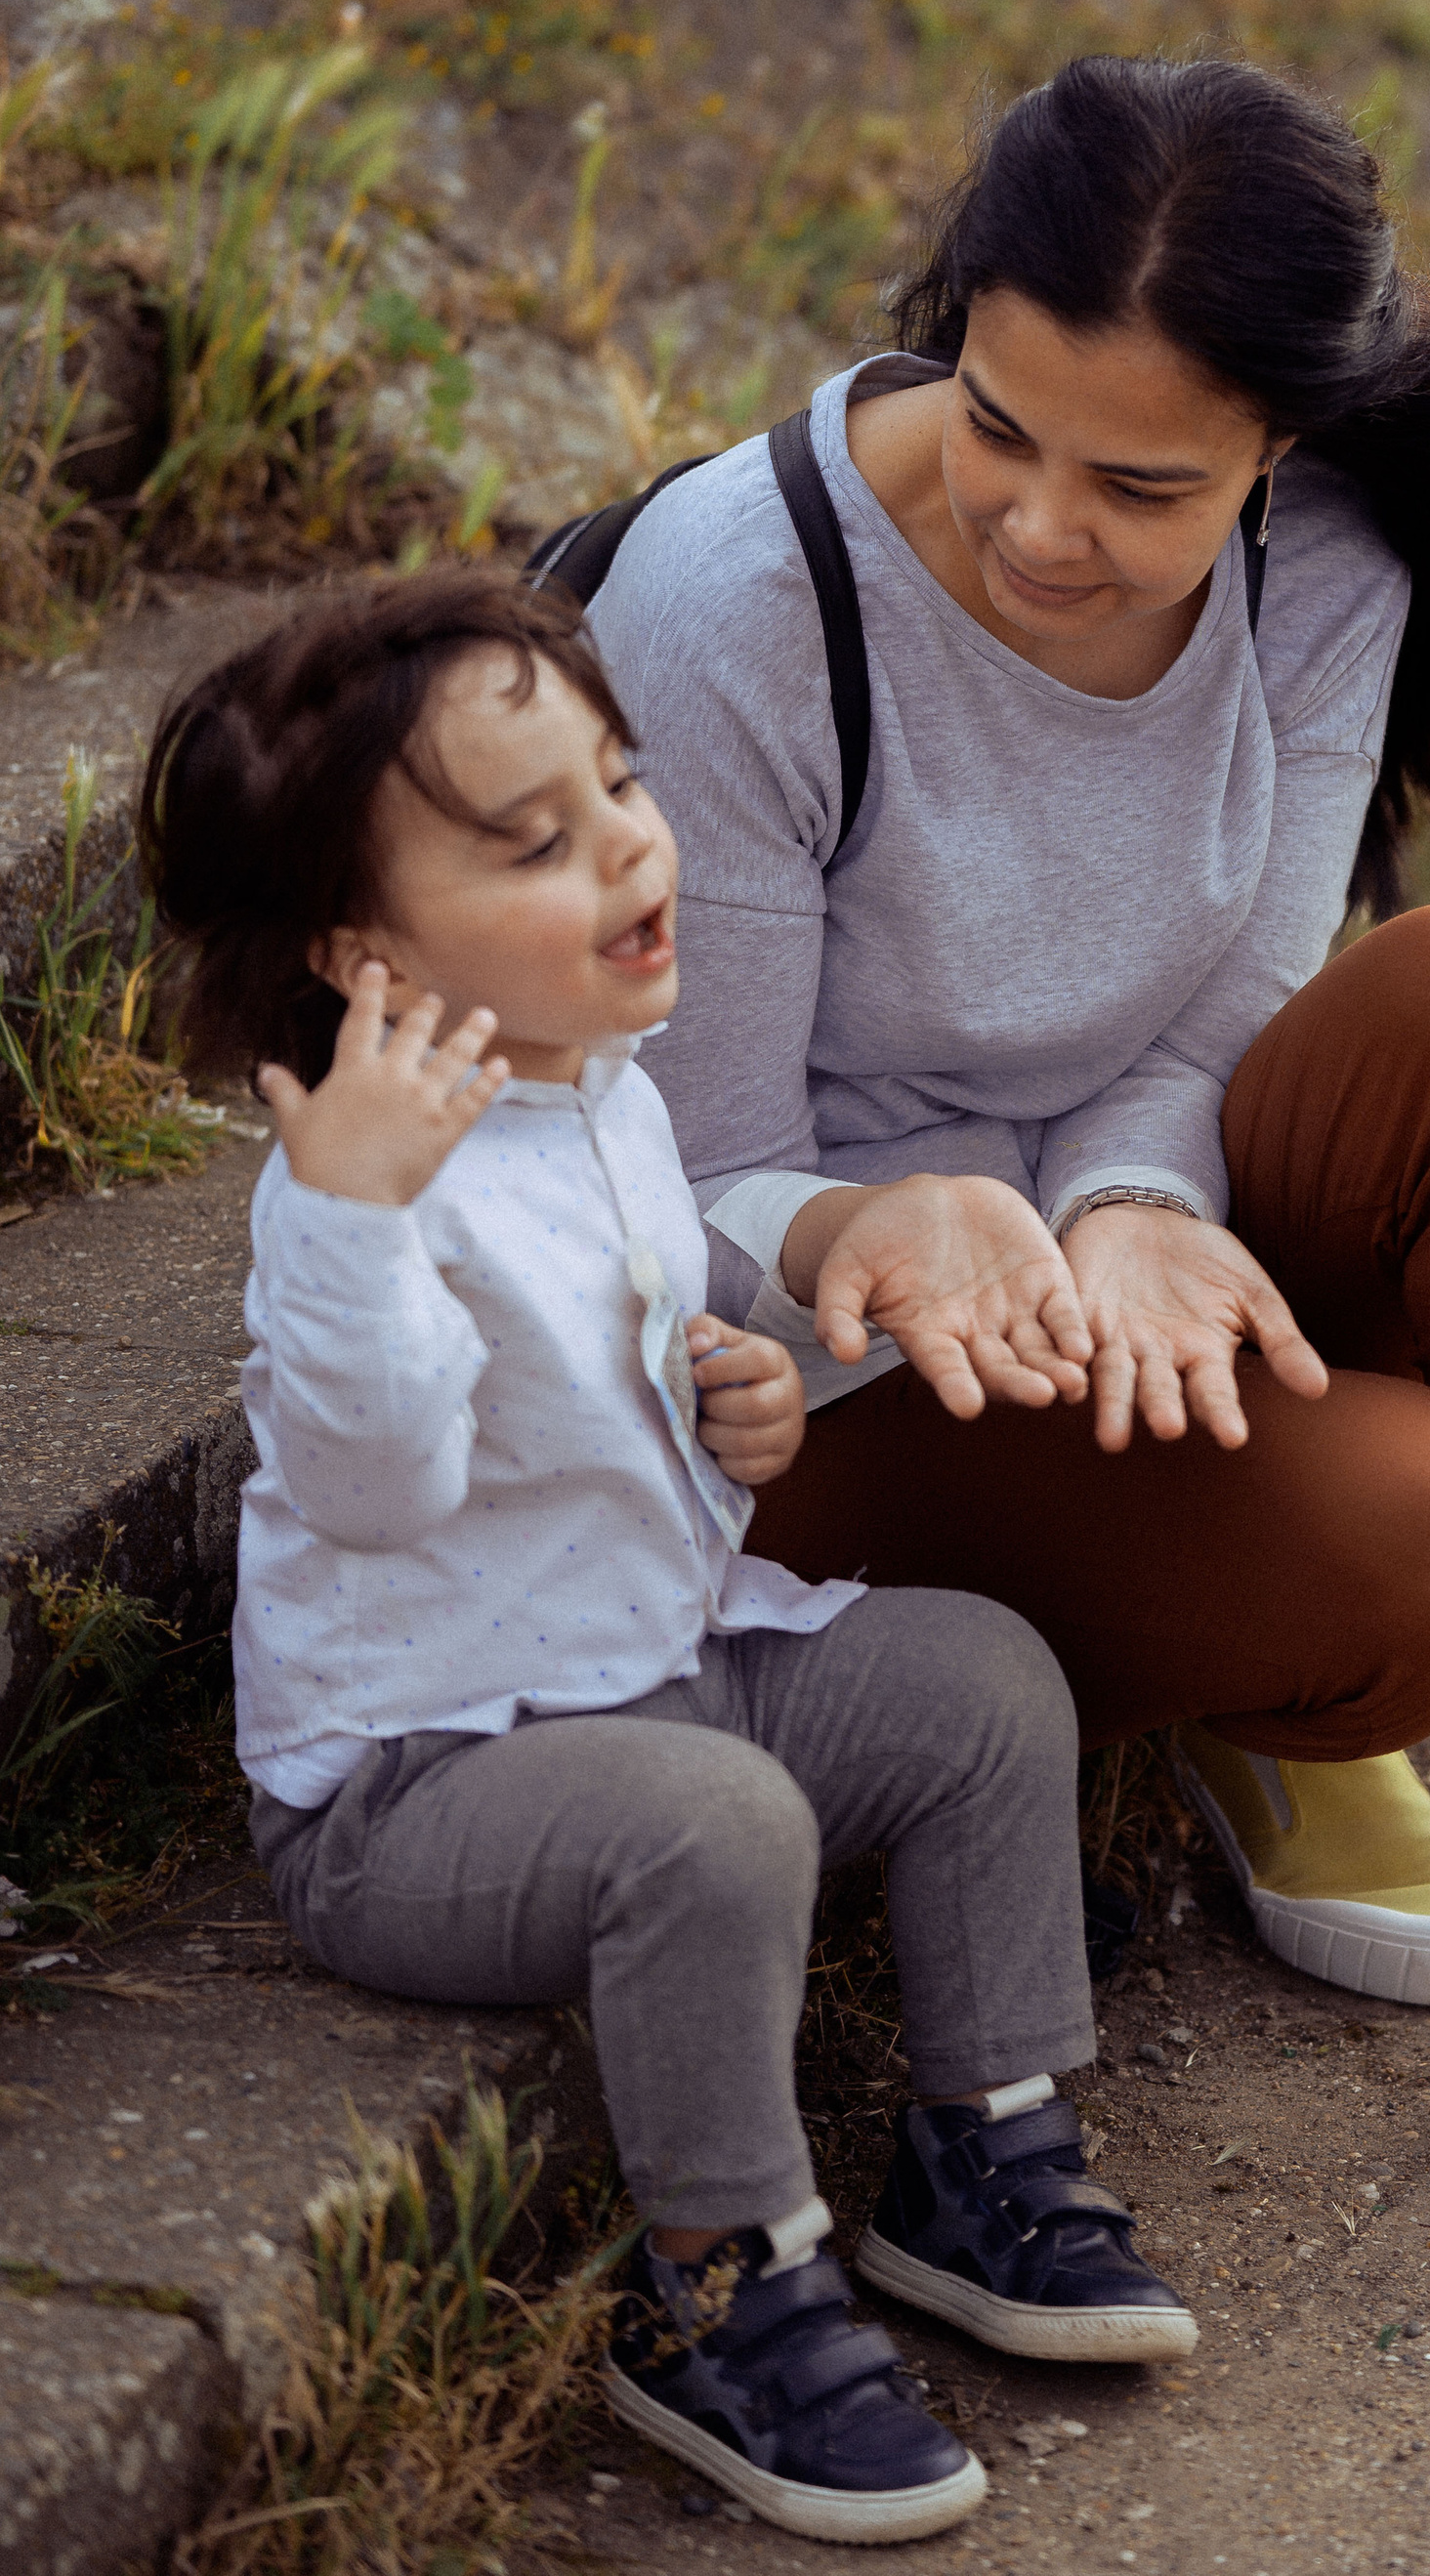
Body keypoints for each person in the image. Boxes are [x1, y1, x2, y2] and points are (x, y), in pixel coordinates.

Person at [593, 54, 1430, 2243]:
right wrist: (895, 1217)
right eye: (997, 423)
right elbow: (677, 1174)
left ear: (1276, 448)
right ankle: (1265, 1693)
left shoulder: (1319, 559)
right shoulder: (743, 606)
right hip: (820, 1380)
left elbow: (1233, 1001)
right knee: (1425, 1555)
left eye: (1138, 483)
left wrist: (1131, 1209)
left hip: (1140, 1255)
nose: (1040, 526)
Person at [139, 571, 1198, 2549]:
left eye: (619, 782)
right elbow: (374, 1484)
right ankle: (708, 2280)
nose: (628, 841)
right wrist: (361, 1222)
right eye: (535, 840)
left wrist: (739, 1415)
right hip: (418, 1781)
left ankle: (976, 2149)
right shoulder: (349, 1195)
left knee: (978, 1682)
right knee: (709, 1827)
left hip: (654, 1659)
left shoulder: (595, 1096)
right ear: (364, 953)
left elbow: (615, 1403)